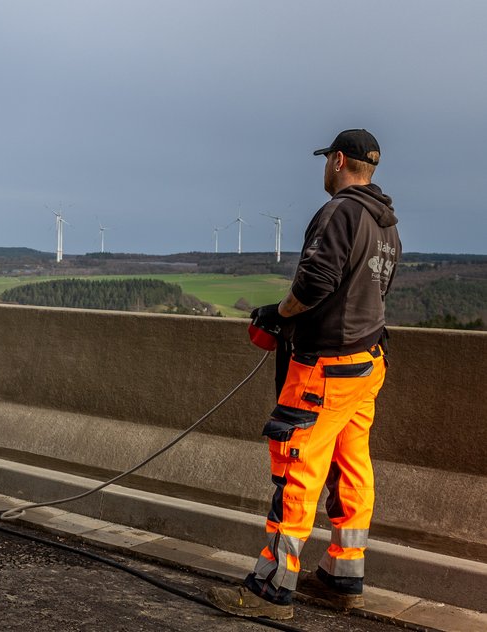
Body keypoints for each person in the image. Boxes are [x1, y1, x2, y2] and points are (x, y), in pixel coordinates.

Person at [207, 129, 401, 620]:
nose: (324, 170)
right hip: (367, 363)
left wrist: (281, 313)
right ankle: (343, 575)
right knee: (350, 469)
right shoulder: (387, 224)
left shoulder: (340, 212)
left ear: (338, 161)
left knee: (297, 471)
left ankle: (270, 591)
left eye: (326, 162)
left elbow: (316, 281)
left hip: (326, 368)